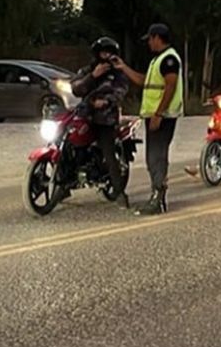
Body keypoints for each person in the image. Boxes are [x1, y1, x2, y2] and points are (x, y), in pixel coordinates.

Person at [114, 23, 183, 215]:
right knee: (153, 157)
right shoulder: (158, 60)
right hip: (154, 115)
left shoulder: (169, 59)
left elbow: (170, 87)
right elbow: (144, 81)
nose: (149, 43)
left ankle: (158, 200)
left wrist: (159, 114)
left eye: (150, 39)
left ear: (157, 38)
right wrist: (123, 67)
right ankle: (156, 196)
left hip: (162, 116)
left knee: (157, 157)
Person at [70, 36, 131, 208]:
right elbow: (76, 89)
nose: (105, 56)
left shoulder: (118, 74)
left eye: (108, 53)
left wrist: (106, 101)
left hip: (105, 119)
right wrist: (93, 76)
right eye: (102, 53)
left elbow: (121, 91)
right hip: (83, 115)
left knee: (108, 154)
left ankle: (120, 193)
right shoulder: (87, 71)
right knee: (67, 141)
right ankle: (63, 182)